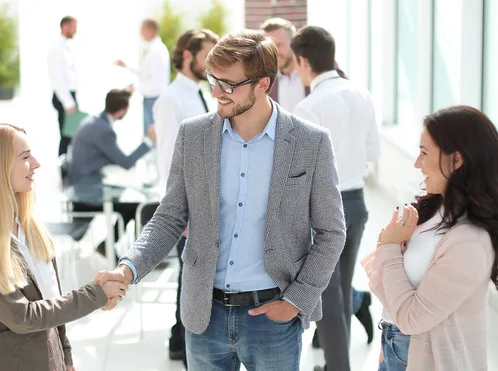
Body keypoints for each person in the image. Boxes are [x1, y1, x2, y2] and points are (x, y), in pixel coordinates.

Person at [98, 29, 346, 370]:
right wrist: (128, 268)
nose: (215, 92)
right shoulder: (193, 134)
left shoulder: (310, 143)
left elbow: (331, 232)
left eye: (228, 84)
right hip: (204, 318)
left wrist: (297, 300)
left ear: (262, 84)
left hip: (273, 318)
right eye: (213, 80)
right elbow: (169, 217)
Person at [0, 122, 128, 371]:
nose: (37, 163)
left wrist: (66, 356)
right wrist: (96, 294)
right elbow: (23, 317)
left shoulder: (31, 228)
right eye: (26, 157)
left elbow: (51, 300)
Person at [362, 106, 498, 371]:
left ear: (457, 161)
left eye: (424, 153)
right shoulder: (436, 209)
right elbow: (386, 286)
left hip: (422, 357)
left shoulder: (471, 242)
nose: (416, 163)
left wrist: (389, 248)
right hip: (395, 347)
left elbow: (411, 318)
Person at [290, 26, 380, 371]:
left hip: (324, 206)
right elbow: (374, 152)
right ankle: (334, 365)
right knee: (339, 286)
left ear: (303, 60)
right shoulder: (362, 94)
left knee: (325, 293)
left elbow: (300, 172)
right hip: (357, 201)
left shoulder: (309, 106)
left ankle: (338, 368)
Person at [153, 28, 219, 364]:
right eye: (207, 54)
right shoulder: (171, 99)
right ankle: (178, 342)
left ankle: (181, 340)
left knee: (194, 274)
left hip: (207, 203)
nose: (212, 62)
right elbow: (168, 160)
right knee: (189, 275)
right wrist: (183, 214)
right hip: (190, 208)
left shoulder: (201, 92)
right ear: (188, 55)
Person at [67, 89, 156, 256]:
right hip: (86, 192)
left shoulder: (92, 121)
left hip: (79, 185)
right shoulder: (103, 130)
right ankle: (132, 253)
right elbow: (125, 162)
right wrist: (149, 141)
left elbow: (99, 156)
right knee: (136, 206)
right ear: (122, 111)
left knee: (128, 197)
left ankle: (109, 245)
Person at [115, 19, 170, 135]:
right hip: (152, 98)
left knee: (151, 136)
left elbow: (155, 80)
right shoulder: (155, 49)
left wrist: (136, 87)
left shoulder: (156, 51)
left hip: (153, 99)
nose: (140, 33)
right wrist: (126, 65)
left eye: (142, 29)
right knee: (151, 135)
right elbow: (146, 72)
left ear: (150, 30)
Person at [260, 17, 308, 112]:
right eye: (270, 47)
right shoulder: (263, 82)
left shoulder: (312, 72)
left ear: (293, 43)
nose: (274, 52)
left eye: (278, 45)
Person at [48, 15, 79, 157]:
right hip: (64, 98)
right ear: (65, 27)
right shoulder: (56, 50)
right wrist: (68, 103)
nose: (75, 30)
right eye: (73, 27)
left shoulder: (67, 47)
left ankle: (70, 168)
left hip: (70, 97)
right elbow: (57, 79)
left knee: (72, 135)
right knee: (66, 136)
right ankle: (64, 170)